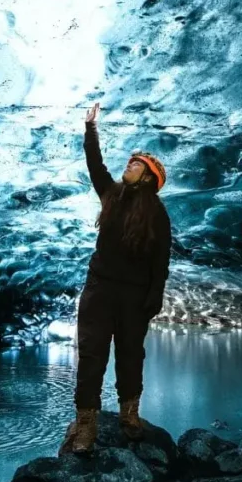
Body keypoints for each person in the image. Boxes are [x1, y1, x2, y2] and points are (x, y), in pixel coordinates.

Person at [66, 101, 172, 454]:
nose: (129, 166)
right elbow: (95, 164)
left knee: (130, 355)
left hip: (134, 295)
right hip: (99, 288)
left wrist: (154, 296)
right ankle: (86, 425)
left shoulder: (156, 213)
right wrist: (90, 129)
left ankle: (129, 415)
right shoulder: (110, 194)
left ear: (148, 178)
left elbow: (161, 259)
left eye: (136, 165)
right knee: (92, 354)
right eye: (130, 162)